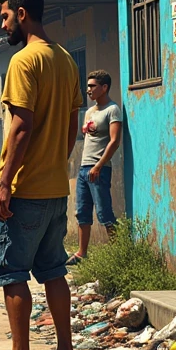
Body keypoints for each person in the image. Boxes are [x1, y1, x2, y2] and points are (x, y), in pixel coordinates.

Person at [0, 0, 82, 350]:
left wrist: (3, 183)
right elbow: (71, 126)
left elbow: (20, 127)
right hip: (56, 189)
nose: (3, 24)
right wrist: (56, 161)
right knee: (54, 270)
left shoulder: (24, 61)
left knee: (12, 271)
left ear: (21, 14)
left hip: (25, 191)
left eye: (4, 16)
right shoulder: (66, 60)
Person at [67, 70, 122, 266]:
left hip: (99, 168)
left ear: (104, 87)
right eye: (88, 86)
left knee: (104, 213)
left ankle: (119, 254)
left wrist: (98, 166)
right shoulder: (90, 112)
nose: (88, 89)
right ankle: (82, 254)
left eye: (92, 86)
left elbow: (114, 141)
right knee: (81, 212)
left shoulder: (112, 110)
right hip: (84, 168)